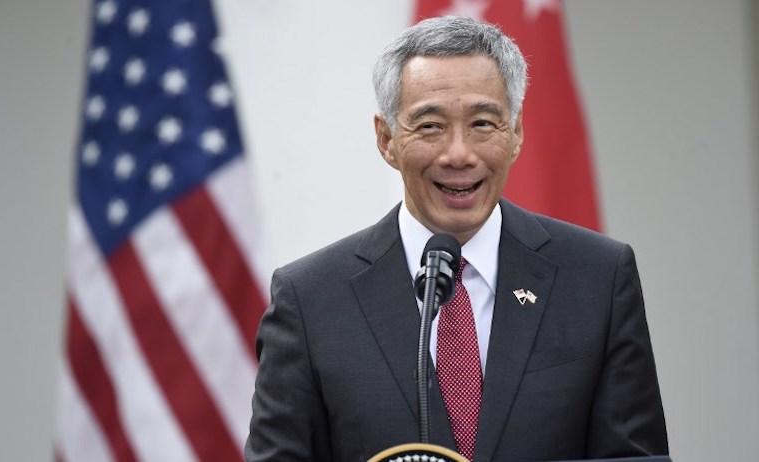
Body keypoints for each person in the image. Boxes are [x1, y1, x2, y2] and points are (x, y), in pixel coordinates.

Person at [245, 16, 668, 462]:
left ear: (517, 133)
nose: (459, 154)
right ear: (386, 139)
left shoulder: (597, 278)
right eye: (429, 126)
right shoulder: (309, 300)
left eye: (483, 123)